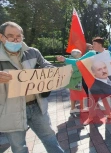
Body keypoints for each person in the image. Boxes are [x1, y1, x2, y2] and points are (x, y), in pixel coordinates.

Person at [0, 22, 64, 153]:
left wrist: (47, 72)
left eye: (18, 36)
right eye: (10, 36)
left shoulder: (33, 52)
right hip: (10, 110)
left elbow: (48, 66)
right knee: (19, 148)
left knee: (50, 138)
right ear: (2, 37)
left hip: (37, 106)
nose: (15, 39)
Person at [66, 49, 87, 114]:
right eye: (80, 55)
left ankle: (72, 108)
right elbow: (74, 74)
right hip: (75, 83)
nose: (81, 56)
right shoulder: (73, 63)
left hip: (71, 83)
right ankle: (83, 108)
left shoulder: (70, 61)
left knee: (73, 96)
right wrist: (83, 71)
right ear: (76, 55)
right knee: (83, 95)